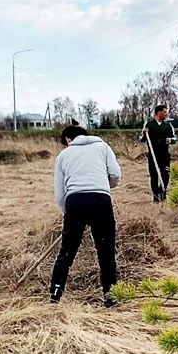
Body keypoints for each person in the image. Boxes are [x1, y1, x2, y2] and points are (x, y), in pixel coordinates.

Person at [49, 124, 122, 306]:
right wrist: (103, 184)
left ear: (67, 139)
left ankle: (55, 294)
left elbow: (60, 194)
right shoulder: (103, 147)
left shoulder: (64, 155)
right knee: (106, 252)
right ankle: (111, 297)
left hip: (75, 202)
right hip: (101, 201)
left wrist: (68, 213)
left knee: (67, 251)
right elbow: (115, 175)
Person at [140, 105, 177, 202]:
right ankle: (156, 196)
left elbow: (175, 138)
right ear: (159, 112)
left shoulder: (168, 125)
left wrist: (171, 140)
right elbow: (141, 139)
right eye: (165, 112)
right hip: (153, 154)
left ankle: (162, 193)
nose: (166, 114)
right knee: (154, 175)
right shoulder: (149, 125)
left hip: (164, 154)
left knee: (166, 174)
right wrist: (144, 133)